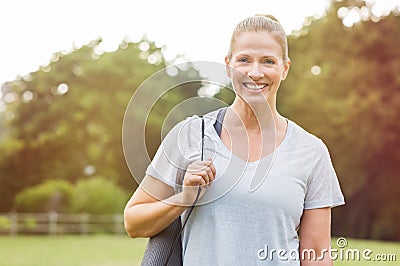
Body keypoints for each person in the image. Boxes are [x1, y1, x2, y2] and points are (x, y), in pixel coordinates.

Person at [124, 14, 345, 265]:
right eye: (244, 60)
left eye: (268, 61)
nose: (255, 72)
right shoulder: (192, 135)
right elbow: (133, 222)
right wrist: (182, 200)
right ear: (228, 65)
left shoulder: (311, 151)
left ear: (285, 69)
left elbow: (315, 255)